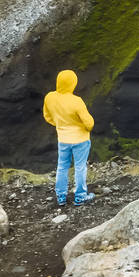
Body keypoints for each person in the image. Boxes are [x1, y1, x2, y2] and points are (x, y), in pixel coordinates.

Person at [42, 69, 97, 206]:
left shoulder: (50, 97)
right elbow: (89, 123)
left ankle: (61, 196)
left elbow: (48, 117)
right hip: (80, 140)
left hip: (63, 139)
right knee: (80, 167)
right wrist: (85, 128)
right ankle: (80, 197)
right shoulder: (76, 101)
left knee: (62, 167)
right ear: (73, 83)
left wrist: (60, 125)